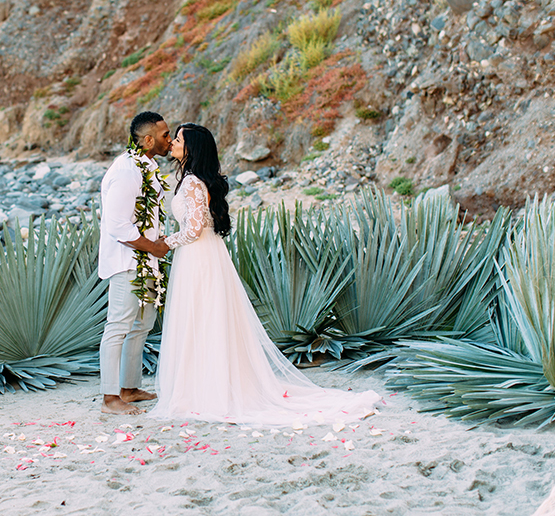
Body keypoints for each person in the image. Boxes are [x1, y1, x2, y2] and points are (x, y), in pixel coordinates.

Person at [149, 123, 381, 425]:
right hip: (205, 255)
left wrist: (165, 243)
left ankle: (204, 389)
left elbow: (192, 230)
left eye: (178, 139)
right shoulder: (193, 179)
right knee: (205, 319)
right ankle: (206, 384)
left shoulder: (192, 182)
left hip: (198, 257)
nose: (173, 143)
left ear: (190, 148)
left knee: (201, 318)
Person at [98, 111, 172, 415]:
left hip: (146, 262)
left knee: (141, 325)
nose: (170, 140)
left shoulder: (147, 168)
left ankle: (128, 388)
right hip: (127, 262)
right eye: (166, 135)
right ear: (148, 139)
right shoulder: (127, 171)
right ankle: (109, 398)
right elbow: (116, 225)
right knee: (118, 326)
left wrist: (157, 243)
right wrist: (153, 247)